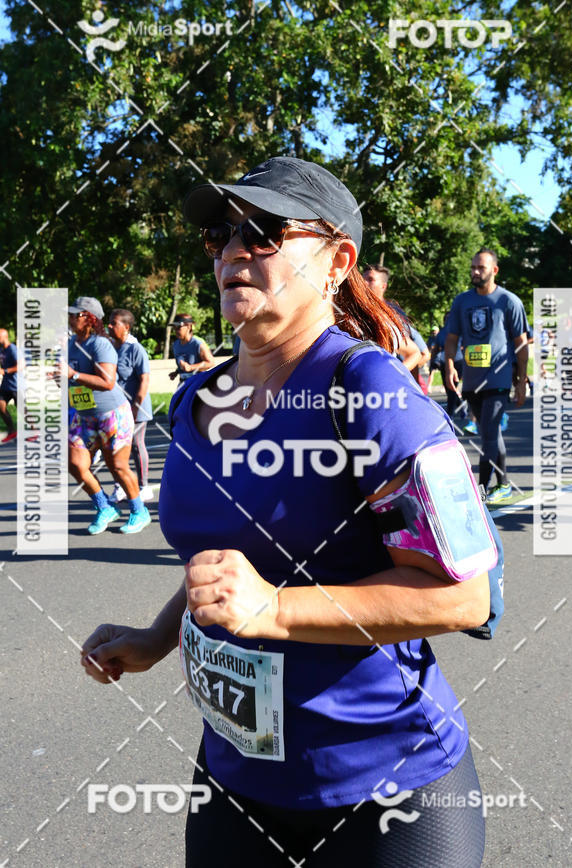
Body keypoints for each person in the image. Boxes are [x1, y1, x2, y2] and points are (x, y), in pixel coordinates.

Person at [81, 157, 491, 868]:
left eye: (266, 231)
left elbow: (464, 594)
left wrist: (274, 610)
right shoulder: (195, 400)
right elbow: (227, 561)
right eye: (222, 233)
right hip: (236, 780)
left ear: (337, 261)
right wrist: (156, 637)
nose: (237, 249)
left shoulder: (369, 390)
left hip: (389, 789)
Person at [445, 249, 528, 505]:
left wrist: (522, 382)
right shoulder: (462, 301)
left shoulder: (508, 301)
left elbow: (521, 344)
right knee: (491, 435)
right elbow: (451, 338)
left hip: (498, 380)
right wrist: (449, 366)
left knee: (489, 435)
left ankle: (480, 490)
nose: (475, 272)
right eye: (473, 267)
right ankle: (503, 485)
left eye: (480, 268)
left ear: (494, 270)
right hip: (471, 381)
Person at [66, 296, 151, 535]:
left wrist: (72, 375)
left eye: (76, 314)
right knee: (75, 463)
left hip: (112, 414)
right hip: (84, 415)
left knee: (118, 466)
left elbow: (107, 381)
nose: (71, 318)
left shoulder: (100, 344)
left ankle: (139, 511)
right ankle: (104, 506)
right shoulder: (72, 343)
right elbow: (73, 379)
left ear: (89, 318)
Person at [107, 309, 154, 502]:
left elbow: (144, 380)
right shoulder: (110, 348)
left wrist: (135, 408)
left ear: (126, 327)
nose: (110, 326)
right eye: (109, 322)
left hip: (137, 408)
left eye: (114, 323)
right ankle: (120, 487)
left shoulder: (136, 349)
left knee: (135, 445)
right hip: (116, 409)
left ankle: (144, 487)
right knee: (114, 448)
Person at [362, 264, 429, 375]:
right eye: (362, 279)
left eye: (370, 279)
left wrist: (395, 375)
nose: (364, 283)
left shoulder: (393, 313)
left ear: (383, 286)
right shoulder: (354, 309)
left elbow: (418, 352)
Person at [168, 314, 215, 382]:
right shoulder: (176, 345)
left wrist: (191, 367)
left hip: (198, 382)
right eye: (174, 327)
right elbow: (184, 365)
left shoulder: (198, 343)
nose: (176, 330)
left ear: (189, 326)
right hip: (183, 382)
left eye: (178, 327)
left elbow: (211, 362)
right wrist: (176, 372)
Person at [0, 328, 19, 443]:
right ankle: (12, 431)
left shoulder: (12, 349)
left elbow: (20, 366)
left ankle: (35, 430)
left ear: (4, 336)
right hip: (6, 385)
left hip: (16, 385)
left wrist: (5, 371)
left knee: (22, 410)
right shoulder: (2, 350)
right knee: (1, 406)